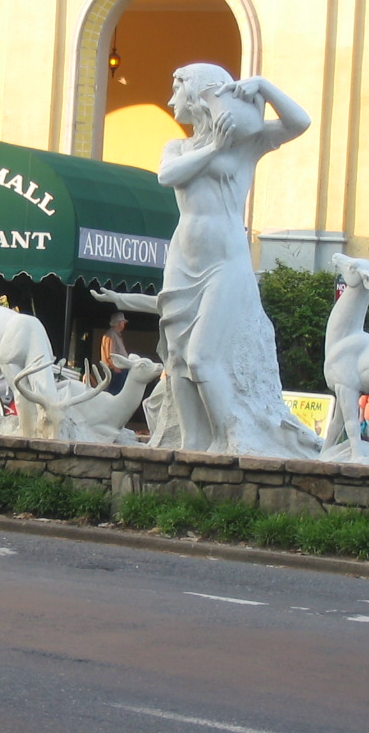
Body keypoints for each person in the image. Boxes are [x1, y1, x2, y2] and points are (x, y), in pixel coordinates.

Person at [153, 63, 312, 452]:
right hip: (182, 261)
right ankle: (193, 441)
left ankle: (231, 437)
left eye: (179, 90)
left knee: (202, 357)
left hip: (226, 261)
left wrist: (264, 87)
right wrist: (213, 148)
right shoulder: (179, 148)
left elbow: (299, 122)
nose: (172, 100)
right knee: (177, 357)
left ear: (198, 95)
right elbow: (167, 176)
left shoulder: (247, 144)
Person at [100, 312, 128, 394]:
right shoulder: (111, 335)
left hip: (118, 369)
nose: (124, 324)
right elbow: (110, 355)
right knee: (114, 393)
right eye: (123, 322)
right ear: (119, 323)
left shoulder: (115, 335)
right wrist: (116, 369)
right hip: (115, 370)